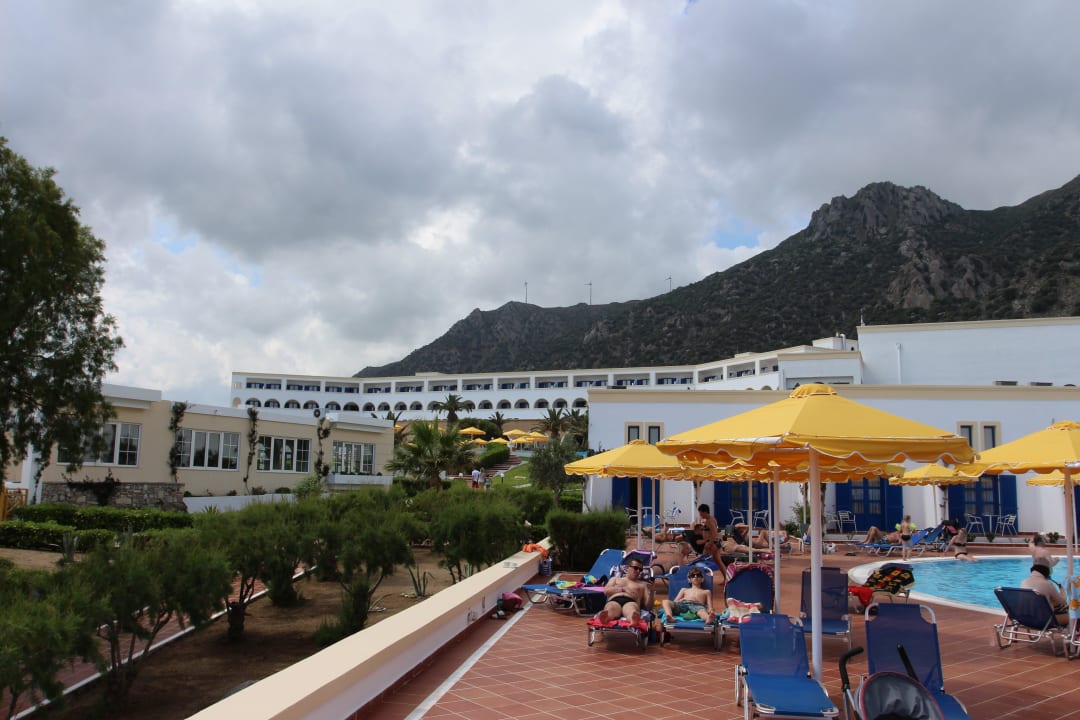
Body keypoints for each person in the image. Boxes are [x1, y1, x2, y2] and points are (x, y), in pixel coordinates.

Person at [596, 558, 650, 625]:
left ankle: (633, 619)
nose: (638, 571)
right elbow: (606, 591)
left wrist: (652, 592)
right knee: (611, 608)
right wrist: (623, 589)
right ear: (627, 568)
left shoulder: (643, 584)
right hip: (614, 600)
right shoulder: (615, 579)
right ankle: (606, 617)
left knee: (632, 609)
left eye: (640, 569)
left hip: (631, 601)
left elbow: (648, 606)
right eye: (635, 568)